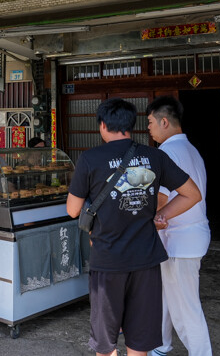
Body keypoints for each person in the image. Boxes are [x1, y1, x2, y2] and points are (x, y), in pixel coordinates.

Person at [66, 98, 202, 356]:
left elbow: (73, 210)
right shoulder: (155, 156)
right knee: (139, 341)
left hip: (108, 261)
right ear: (132, 125)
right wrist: (160, 214)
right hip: (146, 261)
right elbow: (192, 194)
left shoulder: (90, 159)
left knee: (105, 343)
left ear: (103, 125)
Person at [145, 96, 212, 356]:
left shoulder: (167, 153)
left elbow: (160, 198)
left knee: (186, 309)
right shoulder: (190, 149)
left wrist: (149, 218)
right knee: (164, 297)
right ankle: (160, 346)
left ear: (164, 121)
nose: (148, 128)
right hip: (187, 237)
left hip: (180, 240)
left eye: (150, 122)